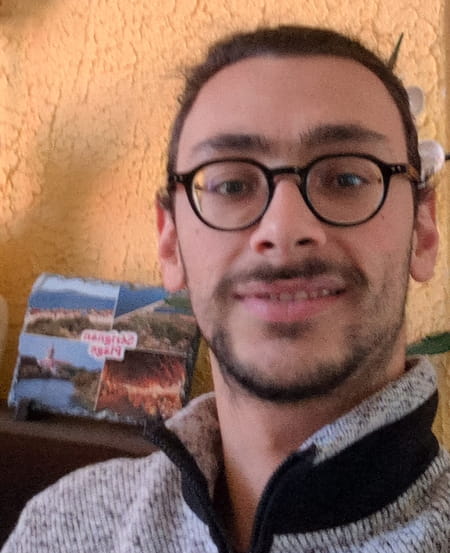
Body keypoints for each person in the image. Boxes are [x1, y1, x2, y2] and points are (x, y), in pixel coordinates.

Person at [3, 25, 449, 553]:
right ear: (170, 243)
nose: (283, 229)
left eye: (347, 179)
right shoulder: (59, 526)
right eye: (231, 185)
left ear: (423, 230)